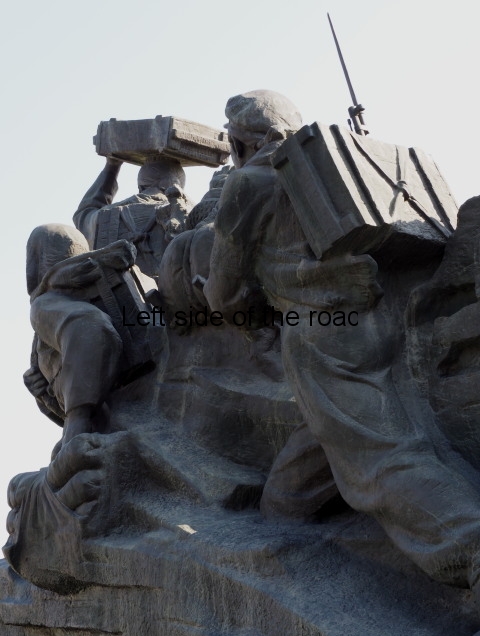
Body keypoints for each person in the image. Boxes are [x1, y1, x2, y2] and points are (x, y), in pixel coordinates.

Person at [204, 89, 480, 594]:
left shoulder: (250, 183)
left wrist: (253, 319)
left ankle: (471, 547)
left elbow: (224, 293)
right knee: (311, 464)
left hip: (324, 335)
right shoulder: (336, 167)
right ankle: (284, 508)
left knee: (382, 458)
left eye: (233, 141)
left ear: (247, 140)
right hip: (390, 319)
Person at [25, 223, 136, 442]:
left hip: (106, 423)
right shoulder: (48, 312)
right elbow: (67, 406)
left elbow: (91, 328)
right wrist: (43, 394)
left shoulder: (45, 305)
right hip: (103, 424)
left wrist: (78, 417)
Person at [73, 156, 193, 282]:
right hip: (175, 290)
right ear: (178, 187)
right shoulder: (191, 214)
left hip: (121, 292)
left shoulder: (106, 215)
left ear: (141, 186)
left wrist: (112, 167)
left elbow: (83, 214)